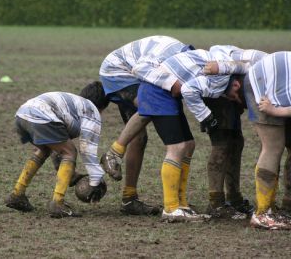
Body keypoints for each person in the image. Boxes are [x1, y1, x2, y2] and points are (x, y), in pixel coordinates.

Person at [99, 35, 194, 216]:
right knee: (150, 105)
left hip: (133, 71)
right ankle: (113, 153)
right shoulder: (169, 55)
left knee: (140, 137)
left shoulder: (183, 59)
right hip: (119, 71)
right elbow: (140, 68)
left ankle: (129, 198)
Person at [210, 51, 291, 229]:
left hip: (276, 79)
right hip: (263, 82)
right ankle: (263, 213)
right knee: (273, 147)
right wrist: (274, 111)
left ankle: (286, 206)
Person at [5, 81, 109, 218]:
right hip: (42, 117)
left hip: (22, 115)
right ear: (102, 107)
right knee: (70, 152)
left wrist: (72, 175)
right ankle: (57, 203)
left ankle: (17, 194)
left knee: (45, 149)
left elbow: (56, 151)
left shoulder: (74, 104)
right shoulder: (91, 111)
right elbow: (87, 151)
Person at [200, 45, 267, 219]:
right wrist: (220, 69)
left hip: (238, 83)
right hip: (221, 81)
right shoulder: (261, 64)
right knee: (223, 142)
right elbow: (234, 64)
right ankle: (216, 203)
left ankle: (234, 198)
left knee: (236, 142)